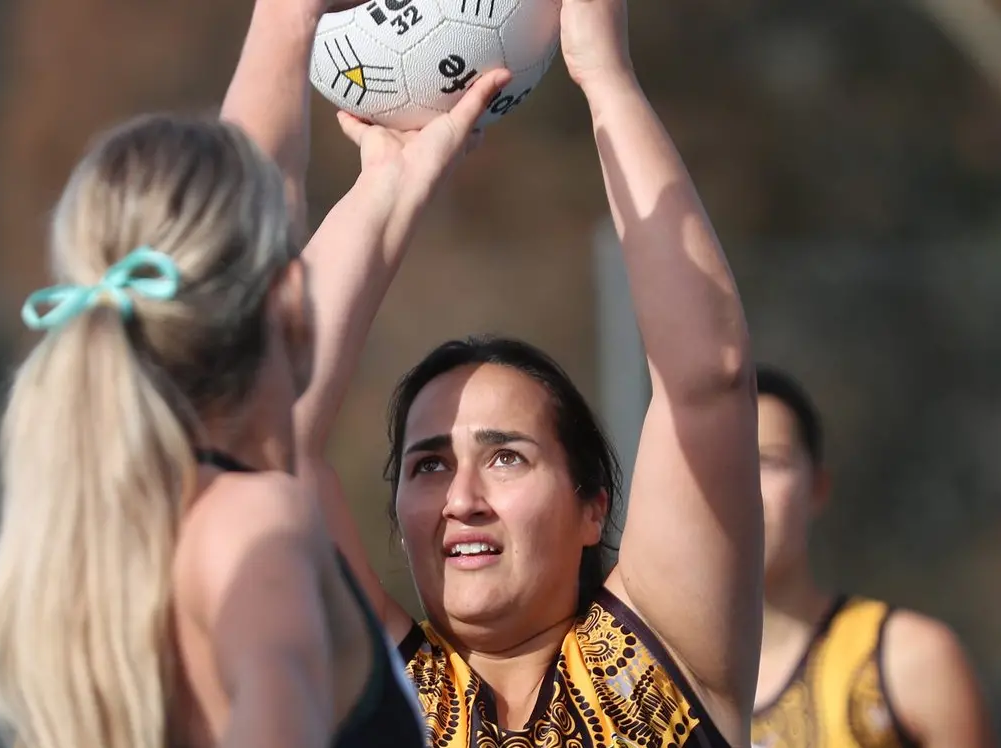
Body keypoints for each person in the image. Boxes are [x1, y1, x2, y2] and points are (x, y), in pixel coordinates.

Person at [0, 0, 513, 744]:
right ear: (289, 298)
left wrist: (383, 169)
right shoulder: (257, 528)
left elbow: (250, 219)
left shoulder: (108, 543)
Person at [294, 0, 766, 744]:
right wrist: (387, 184)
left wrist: (605, 77)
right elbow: (270, 432)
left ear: (592, 508)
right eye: (428, 466)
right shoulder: (378, 690)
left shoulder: (657, 659)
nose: (462, 499)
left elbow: (709, 376)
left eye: (506, 456)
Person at [749, 365, 997, 748]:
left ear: (818, 487)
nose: (744, 487)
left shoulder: (913, 663)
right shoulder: (651, 683)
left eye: (770, 462)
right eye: (722, 465)